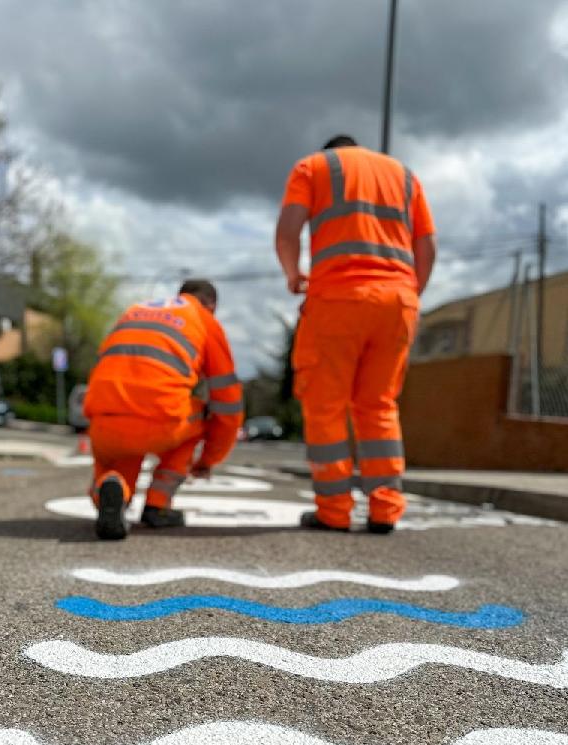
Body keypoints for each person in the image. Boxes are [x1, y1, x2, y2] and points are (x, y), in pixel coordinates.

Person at [275, 135, 436, 533]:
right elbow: (427, 245)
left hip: (337, 299)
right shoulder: (405, 176)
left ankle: (334, 510)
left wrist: (294, 274)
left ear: (331, 150)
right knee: (378, 405)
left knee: (325, 404)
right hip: (397, 301)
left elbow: (288, 231)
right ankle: (385, 508)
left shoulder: (312, 167)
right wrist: (410, 294)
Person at [84, 279, 243, 540]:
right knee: (199, 415)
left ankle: (111, 492)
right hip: (160, 422)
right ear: (211, 305)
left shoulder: (135, 310)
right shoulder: (204, 319)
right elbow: (228, 403)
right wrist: (209, 459)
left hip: (103, 420)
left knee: (117, 458)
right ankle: (158, 505)